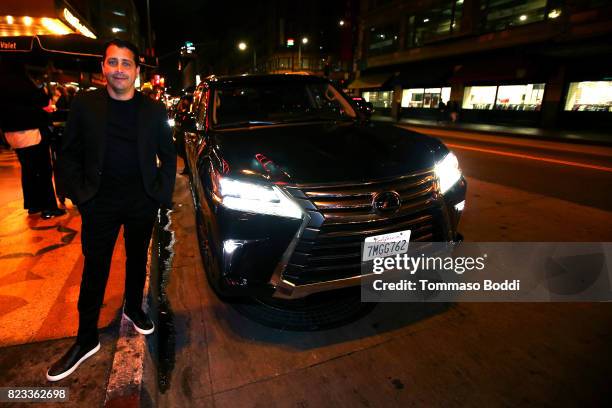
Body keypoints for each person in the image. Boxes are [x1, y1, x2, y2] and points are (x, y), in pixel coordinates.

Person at [48, 39, 176, 381]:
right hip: (99, 203)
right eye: (112, 62)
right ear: (103, 67)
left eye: (126, 63)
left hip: (141, 201)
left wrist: (159, 196)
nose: (119, 69)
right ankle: (85, 338)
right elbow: (69, 152)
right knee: (95, 269)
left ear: (137, 70)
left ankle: (134, 307)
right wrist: (80, 196)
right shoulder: (86, 105)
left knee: (137, 260)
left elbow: (168, 155)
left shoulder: (153, 110)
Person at [0, 61, 66, 219]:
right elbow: (42, 100)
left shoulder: (2, 82)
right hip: (31, 131)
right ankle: (48, 208)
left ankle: (33, 204)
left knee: (28, 170)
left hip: (11, 134)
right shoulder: (22, 82)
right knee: (43, 170)